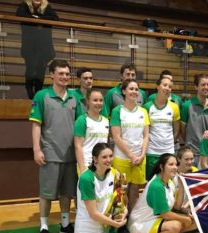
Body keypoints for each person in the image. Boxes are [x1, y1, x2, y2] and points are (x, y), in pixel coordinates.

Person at [29, 59, 83, 233]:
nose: (64, 77)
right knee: (46, 193)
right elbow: (36, 125)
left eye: (67, 74)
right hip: (50, 153)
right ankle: (44, 227)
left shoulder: (75, 97)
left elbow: (81, 125)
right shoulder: (41, 96)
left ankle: (65, 224)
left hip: (70, 154)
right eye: (61, 73)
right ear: (52, 74)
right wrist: (36, 149)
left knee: (67, 192)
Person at [65, 143, 136, 233]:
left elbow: (120, 200)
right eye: (104, 157)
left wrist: (124, 213)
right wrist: (115, 223)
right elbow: (93, 214)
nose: (108, 160)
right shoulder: (87, 178)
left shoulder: (114, 173)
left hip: (106, 229)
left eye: (110, 156)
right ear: (95, 159)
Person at [128, 154, 196, 233]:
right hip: (139, 224)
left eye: (175, 164)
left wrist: (186, 211)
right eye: (171, 164)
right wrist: (185, 219)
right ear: (161, 166)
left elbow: (176, 207)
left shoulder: (169, 182)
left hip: (153, 220)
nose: (174, 167)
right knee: (176, 226)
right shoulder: (156, 186)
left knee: (194, 221)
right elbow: (165, 214)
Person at [110, 79, 149, 218]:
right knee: (121, 191)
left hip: (140, 158)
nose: (134, 92)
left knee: (134, 190)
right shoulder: (117, 111)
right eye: (131, 89)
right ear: (124, 91)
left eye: (136, 89)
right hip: (122, 158)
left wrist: (142, 155)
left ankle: (131, 218)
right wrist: (131, 156)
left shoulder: (143, 112)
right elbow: (116, 137)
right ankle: (120, 221)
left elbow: (145, 136)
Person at [16, 0, 58, 100]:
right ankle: (30, 94)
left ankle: (37, 95)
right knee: (30, 69)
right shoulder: (24, 5)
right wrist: (36, 18)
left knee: (41, 70)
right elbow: (19, 15)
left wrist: (37, 18)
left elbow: (56, 18)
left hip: (44, 45)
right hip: (29, 45)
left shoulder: (47, 6)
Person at [143, 76, 180, 179]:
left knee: (168, 182)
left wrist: (168, 143)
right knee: (150, 182)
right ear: (157, 86)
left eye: (170, 86)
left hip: (168, 151)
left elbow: (176, 131)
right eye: (165, 85)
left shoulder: (174, 107)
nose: (167, 88)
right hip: (151, 152)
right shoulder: (147, 107)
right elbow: (145, 132)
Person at [181, 74, 208, 165]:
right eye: (203, 85)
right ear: (196, 87)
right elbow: (183, 129)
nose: (206, 87)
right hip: (192, 153)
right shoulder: (187, 105)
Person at [173, 146, 205, 233]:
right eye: (186, 159)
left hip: (190, 209)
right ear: (178, 159)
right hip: (175, 211)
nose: (190, 162)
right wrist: (184, 209)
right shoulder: (172, 176)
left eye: (192, 159)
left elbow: (198, 194)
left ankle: (185, 231)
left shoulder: (196, 172)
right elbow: (173, 205)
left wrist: (188, 208)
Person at [74, 89, 109, 174]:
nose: (98, 103)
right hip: (87, 164)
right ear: (88, 101)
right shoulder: (82, 120)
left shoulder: (106, 120)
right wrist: (82, 169)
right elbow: (78, 146)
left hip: (103, 165)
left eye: (101, 100)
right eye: (95, 100)